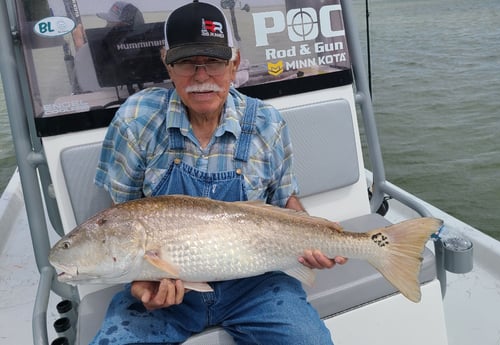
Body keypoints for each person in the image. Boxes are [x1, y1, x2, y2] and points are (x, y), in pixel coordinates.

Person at [92, 1, 345, 344]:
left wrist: (318, 238)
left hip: (256, 284)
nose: (201, 76)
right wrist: (141, 284)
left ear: (234, 63)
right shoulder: (136, 120)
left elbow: (286, 203)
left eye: (213, 61)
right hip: (170, 287)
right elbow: (122, 220)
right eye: (186, 63)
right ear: (167, 63)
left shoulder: (265, 122)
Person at [73, 1, 145, 92]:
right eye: (108, 22)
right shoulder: (149, 54)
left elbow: (87, 87)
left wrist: (82, 50)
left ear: (127, 29)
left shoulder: (122, 56)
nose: (106, 28)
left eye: (111, 25)